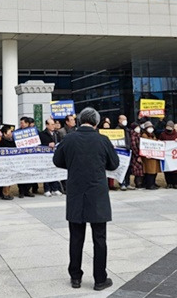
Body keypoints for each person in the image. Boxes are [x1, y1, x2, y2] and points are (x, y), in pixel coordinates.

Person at [53, 107, 119, 291]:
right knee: (99, 238)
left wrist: (73, 164)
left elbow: (57, 161)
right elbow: (114, 164)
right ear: (96, 122)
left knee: (76, 237)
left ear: (80, 120)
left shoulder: (69, 138)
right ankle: (100, 279)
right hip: (97, 193)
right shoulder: (102, 139)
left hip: (75, 192)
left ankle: (75, 277)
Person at [40, 118, 62, 197]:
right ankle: (47, 189)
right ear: (47, 125)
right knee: (46, 172)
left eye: (54, 124)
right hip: (46, 157)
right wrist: (47, 144)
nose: (53, 126)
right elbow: (40, 145)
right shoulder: (42, 134)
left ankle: (55, 188)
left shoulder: (57, 133)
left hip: (55, 155)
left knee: (54, 171)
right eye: (52, 124)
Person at [17, 117, 36, 198]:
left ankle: (27, 190)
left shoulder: (33, 132)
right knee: (21, 174)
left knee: (30, 173)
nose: (21, 124)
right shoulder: (17, 132)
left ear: (27, 124)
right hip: (20, 157)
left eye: (23, 123)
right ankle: (21, 191)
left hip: (30, 157)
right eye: (20, 123)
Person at [159, 121, 177, 189]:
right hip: (167, 155)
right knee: (168, 169)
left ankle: (176, 183)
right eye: (167, 126)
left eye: (170, 127)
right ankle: (169, 183)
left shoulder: (176, 134)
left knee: (176, 170)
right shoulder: (163, 134)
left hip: (175, 155)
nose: (168, 128)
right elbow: (160, 142)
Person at [0, 125, 15, 200]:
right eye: (10, 132)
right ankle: (5, 194)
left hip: (11, 162)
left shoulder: (12, 140)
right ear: (4, 133)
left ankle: (2, 192)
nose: (11, 133)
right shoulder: (1, 142)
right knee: (6, 178)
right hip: (4, 163)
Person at [116, 115, 135, 191]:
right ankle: (122, 183)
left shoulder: (127, 129)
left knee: (128, 168)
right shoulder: (117, 130)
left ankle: (127, 183)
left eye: (126, 119)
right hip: (121, 151)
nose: (125, 121)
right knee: (122, 168)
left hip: (128, 151)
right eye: (123, 119)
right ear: (119, 120)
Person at [140, 121, 161, 190]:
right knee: (150, 171)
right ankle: (149, 184)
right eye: (149, 127)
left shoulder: (153, 135)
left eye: (151, 127)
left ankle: (153, 183)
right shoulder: (144, 135)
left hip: (154, 155)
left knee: (154, 171)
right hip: (148, 157)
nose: (150, 129)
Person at [129, 123, 144, 189]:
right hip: (135, 156)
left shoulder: (139, 135)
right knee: (138, 170)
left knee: (140, 170)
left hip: (140, 154)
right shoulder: (133, 136)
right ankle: (138, 183)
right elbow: (134, 146)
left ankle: (140, 183)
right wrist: (138, 155)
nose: (139, 129)